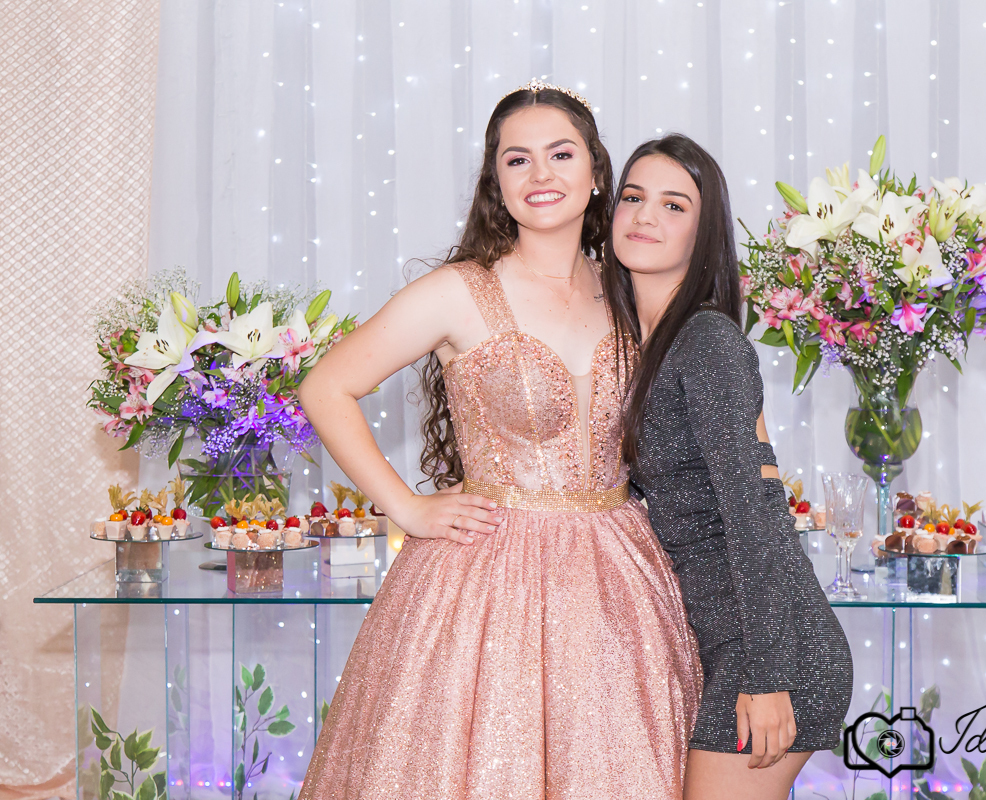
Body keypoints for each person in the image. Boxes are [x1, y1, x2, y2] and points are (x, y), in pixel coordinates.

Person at [295, 84, 702, 800]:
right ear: (497, 182)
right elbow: (325, 387)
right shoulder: (459, 291)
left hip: (618, 581)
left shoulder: (628, 289)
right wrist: (406, 507)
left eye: (561, 154)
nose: (540, 174)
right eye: (518, 159)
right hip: (484, 581)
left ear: (596, 170)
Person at [601, 134, 855, 800]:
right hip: (725, 643)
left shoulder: (706, 340)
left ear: (704, 231)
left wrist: (767, 675)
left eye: (674, 205)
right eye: (633, 197)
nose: (645, 216)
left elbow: (754, 512)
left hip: (771, 653)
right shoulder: (641, 343)